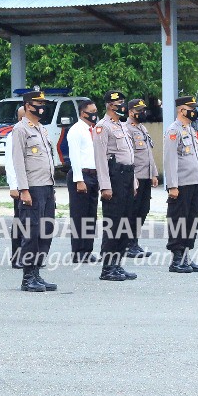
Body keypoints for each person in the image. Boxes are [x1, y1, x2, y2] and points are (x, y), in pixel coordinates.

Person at [9, 90, 58, 292]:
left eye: (43, 103)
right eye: (38, 103)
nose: (42, 107)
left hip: (46, 186)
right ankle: (28, 277)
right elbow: (18, 161)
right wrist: (23, 189)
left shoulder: (41, 129)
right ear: (28, 105)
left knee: (45, 231)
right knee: (31, 232)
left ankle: (37, 272)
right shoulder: (20, 129)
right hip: (32, 188)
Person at [94, 90, 138, 281]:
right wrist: (105, 185)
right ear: (109, 105)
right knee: (113, 223)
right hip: (114, 177)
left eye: (122, 101)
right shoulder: (103, 127)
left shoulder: (122, 126)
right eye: (118, 102)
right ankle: (108, 267)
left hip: (127, 176)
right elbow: (101, 159)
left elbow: (130, 156)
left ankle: (118, 264)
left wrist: (134, 180)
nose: (121, 105)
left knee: (125, 222)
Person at [163, 96, 198, 274]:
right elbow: (170, 159)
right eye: (191, 108)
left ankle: (186, 254)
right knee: (179, 219)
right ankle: (177, 258)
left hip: (194, 181)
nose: (194, 111)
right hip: (181, 184)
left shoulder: (190, 129)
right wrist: (172, 185)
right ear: (182, 110)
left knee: (191, 219)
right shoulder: (174, 130)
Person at [66, 99, 100, 263]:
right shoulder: (76, 130)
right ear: (82, 113)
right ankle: (78, 251)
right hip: (81, 175)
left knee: (91, 215)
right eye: (91, 111)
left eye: (95, 111)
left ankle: (87, 250)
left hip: (94, 175)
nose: (95, 114)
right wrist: (79, 180)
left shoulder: (94, 130)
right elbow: (74, 157)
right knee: (79, 215)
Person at [124, 99, 157, 258]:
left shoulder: (142, 128)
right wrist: (133, 178)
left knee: (143, 209)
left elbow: (148, 154)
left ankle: (134, 242)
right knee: (133, 210)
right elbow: (129, 156)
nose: (143, 113)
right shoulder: (127, 129)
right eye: (140, 110)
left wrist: (154, 173)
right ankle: (129, 244)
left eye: (144, 109)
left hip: (146, 175)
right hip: (136, 177)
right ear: (131, 112)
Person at [6, 104, 25, 267]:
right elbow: (10, 163)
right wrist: (13, 185)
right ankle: (17, 256)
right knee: (20, 221)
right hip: (20, 185)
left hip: (34, 183)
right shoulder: (14, 134)